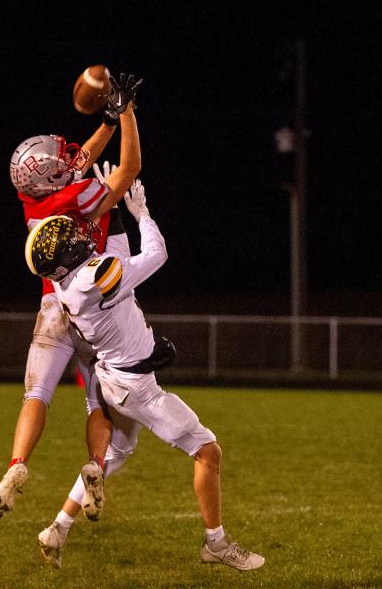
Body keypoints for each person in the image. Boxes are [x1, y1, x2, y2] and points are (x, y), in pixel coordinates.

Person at [26, 182, 264, 571]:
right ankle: (216, 544)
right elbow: (156, 254)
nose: (79, 235)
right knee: (208, 452)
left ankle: (58, 527)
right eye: (70, 237)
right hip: (135, 387)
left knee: (116, 453)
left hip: (115, 375)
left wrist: (113, 205)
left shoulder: (67, 282)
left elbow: (110, 255)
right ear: (67, 255)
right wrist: (143, 215)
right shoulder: (93, 278)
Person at [0, 73, 143, 522]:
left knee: (36, 395)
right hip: (91, 307)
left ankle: (16, 465)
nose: (68, 156)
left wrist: (108, 122)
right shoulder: (77, 197)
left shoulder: (30, 196)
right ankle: (95, 464)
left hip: (51, 306)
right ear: (53, 178)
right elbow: (127, 170)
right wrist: (127, 113)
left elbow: (76, 163)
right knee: (97, 401)